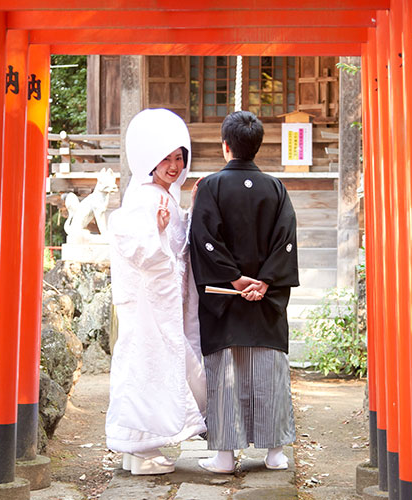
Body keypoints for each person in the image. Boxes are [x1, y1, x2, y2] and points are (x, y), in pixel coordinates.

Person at [189, 110, 298, 473]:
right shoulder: (276, 188)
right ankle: (275, 453)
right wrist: (264, 282)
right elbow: (286, 242)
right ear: (257, 147)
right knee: (270, 370)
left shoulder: (211, 186)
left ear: (225, 147)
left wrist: (235, 281)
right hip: (266, 300)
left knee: (226, 372)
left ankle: (224, 455)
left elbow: (204, 240)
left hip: (225, 298)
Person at [105, 108, 207, 475]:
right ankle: (141, 451)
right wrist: (162, 232)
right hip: (149, 306)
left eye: (179, 158)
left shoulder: (163, 196)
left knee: (149, 369)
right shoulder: (146, 198)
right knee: (146, 369)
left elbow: (177, 251)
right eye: (166, 158)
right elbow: (144, 253)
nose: (174, 166)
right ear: (149, 160)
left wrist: (192, 213)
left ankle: (138, 450)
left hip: (161, 303)